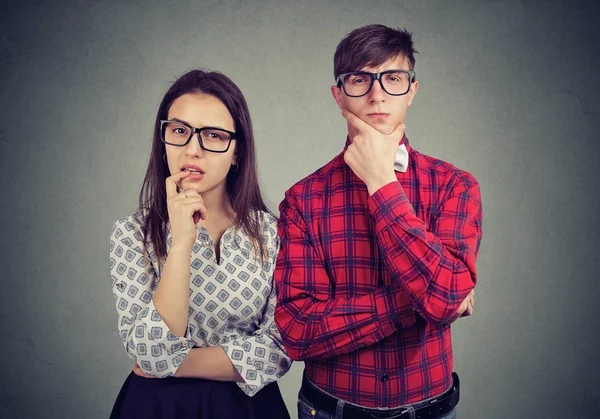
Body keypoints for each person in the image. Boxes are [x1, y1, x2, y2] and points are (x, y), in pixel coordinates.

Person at [274, 24, 482, 419]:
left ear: (412, 91)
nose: (377, 93)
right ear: (338, 95)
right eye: (359, 79)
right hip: (330, 410)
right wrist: (420, 303)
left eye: (393, 78)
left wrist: (381, 182)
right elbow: (297, 329)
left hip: (431, 410)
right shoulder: (302, 200)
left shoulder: (455, 186)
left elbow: (449, 297)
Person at [109, 69, 291, 418]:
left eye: (213, 135)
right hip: (156, 407)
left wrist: (170, 363)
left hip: (249, 409)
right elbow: (152, 347)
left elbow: (277, 351)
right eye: (180, 131)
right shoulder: (133, 234)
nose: (193, 149)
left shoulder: (274, 235)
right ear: (163, 141)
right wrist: (180, 245)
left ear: (237, 152)